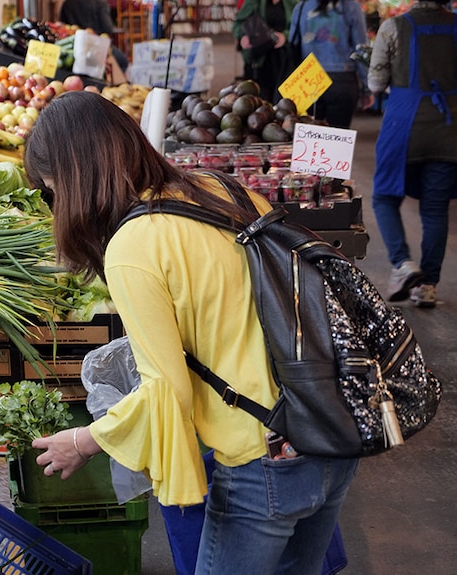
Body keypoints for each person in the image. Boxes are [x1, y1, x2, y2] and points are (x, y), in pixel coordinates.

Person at [24, 91, 359, 575]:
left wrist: (84, 440)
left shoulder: (133, 248)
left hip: (263, 456)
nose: (55, 205)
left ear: (75, 178)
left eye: (51, 189)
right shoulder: (217, 188)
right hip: (330, 429)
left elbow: (166, 392)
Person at [369, 0, 457, 308]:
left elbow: (376, 83)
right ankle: (428, 285)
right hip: (449, 130)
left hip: (404, 125)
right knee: (435, 209)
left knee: (384, 197)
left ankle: (402, 264)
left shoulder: (394, 27)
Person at [289, 0, 375, 128]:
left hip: (308, 80)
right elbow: (361, 50)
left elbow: (293, 42)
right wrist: (367, 89)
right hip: (342, 80)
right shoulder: (351, 6)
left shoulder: (301, 7)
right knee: (338, 139)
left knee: (309, 138)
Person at [234, 0, 297, 103]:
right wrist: (243, 37)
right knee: (257, 101)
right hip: (259, 60)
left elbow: (300, 27)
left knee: (283, 101)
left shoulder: (293, 3)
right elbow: (238, 25)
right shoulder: (253, 2)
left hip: (284, 60)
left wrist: (285, 36)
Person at [57, 0, 129, 71]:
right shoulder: (100, 3)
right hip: (97, 45)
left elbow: (63, 25)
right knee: (123, 61)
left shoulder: (68, 3)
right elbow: (108, 28)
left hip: (72, 45)